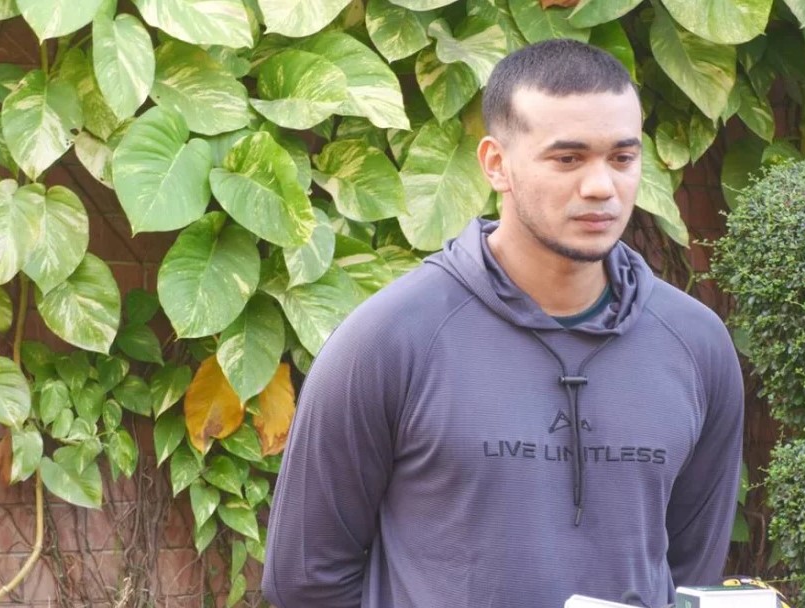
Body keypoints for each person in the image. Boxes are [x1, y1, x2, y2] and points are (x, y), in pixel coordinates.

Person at [262, 38, 744, 608]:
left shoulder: (696, 343)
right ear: (496, 164)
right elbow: (305, 578)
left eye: (622, 158)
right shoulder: (391, 339)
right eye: (567, 159)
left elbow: (690, 572)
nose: (601, 186)